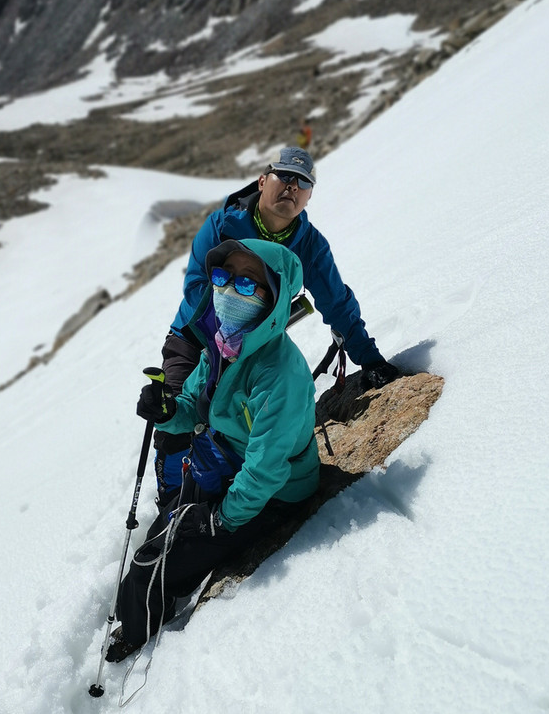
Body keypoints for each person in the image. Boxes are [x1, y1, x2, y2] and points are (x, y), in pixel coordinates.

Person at [106, 238, 319, 662]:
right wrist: (167, 411)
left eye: (247, 282)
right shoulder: (224, 346)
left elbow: (265, 471)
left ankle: (135, 632)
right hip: (229, 464)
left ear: (275, 297)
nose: (228, 290)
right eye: (223, 277)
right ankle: (142, 606)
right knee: (162, 533)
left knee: (155, 561)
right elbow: (193, 405)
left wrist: (219, 520)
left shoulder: (279, 374)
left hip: (272, 495)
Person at [151, 146, 399, 505]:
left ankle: (228, 498)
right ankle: (171, 505)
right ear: (262, 181)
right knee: (174, 427)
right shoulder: (222, 225)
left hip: (249, 350)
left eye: (303, 183)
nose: (292, 187)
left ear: (309, 197)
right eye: (284, 176)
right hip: (193, 340)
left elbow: (336, 302)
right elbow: (195, 290)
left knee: (240, 429)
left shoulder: (309, 245)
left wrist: (370, 359)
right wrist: (232, 328)